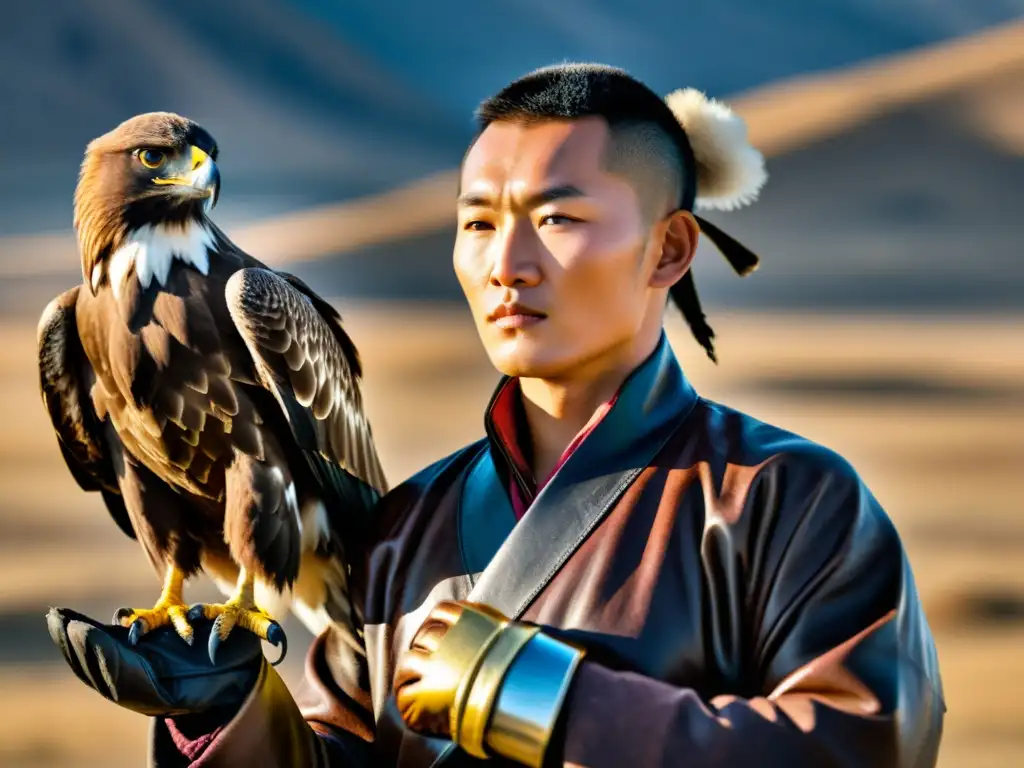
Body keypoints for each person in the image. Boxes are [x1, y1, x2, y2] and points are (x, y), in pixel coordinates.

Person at [47, 63, 945, 767]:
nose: (507, 263)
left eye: (557, 219)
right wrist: (228, 718)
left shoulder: (786, 503)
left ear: (669, 247)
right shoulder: (407, 529)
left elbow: (866, 746)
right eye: (478, 223)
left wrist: (539, 696)